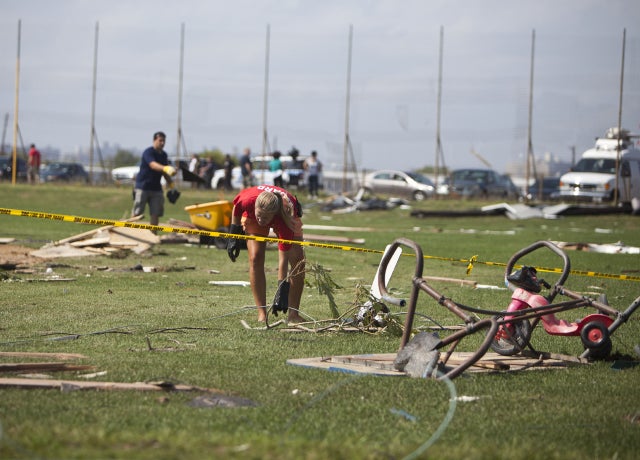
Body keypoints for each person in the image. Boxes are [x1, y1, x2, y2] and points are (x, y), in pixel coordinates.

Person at [227, 184, 305, 323]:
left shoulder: (284, 220)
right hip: (257, 207)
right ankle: (262, 314)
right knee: (255, 257)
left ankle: (294, 315)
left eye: (265, 218)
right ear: (254, 207)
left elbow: (283, 259)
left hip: (284, 214)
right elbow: (237, 208)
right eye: (259, 216)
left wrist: (282, 290)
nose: (261, 221)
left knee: (297, 260)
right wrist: (233, 236)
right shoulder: (248, 200)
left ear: (273, 216)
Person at [131, 131, 177, 227]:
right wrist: (165, 167)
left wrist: (172, 185)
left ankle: (153, 235)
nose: (162, 143)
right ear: (154, 140)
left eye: (164, 141)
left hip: (156, 188)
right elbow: (153, 165)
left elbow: (165, 172)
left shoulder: (163, 155)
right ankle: (131, 232)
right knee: (137, 212)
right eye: (160, 140)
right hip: (143, 187)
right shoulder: (148, 152)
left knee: (155, 214)